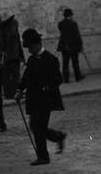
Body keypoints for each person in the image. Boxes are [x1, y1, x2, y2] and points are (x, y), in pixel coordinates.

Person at [16, 28, 67, 166]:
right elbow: (26, 78)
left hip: (46, 100)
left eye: (30, 47)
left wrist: (48, 87)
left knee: (38, 127)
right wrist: (19, 90)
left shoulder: (51, 60)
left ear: (37, 44)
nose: (29, 50)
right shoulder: (32, 60)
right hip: (33, 100)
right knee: (35, 126)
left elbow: (58, 79)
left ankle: (43, 157)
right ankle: (57, 136)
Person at [57, 8, 84, 82]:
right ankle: (77, 77)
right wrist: (80, 45)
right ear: (70, 15)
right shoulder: (73, 24)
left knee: (65, 63)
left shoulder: (60, 24)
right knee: (75, 62)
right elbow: (77, 35)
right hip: (73, 46)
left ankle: (66, 79)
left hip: (64, 46)